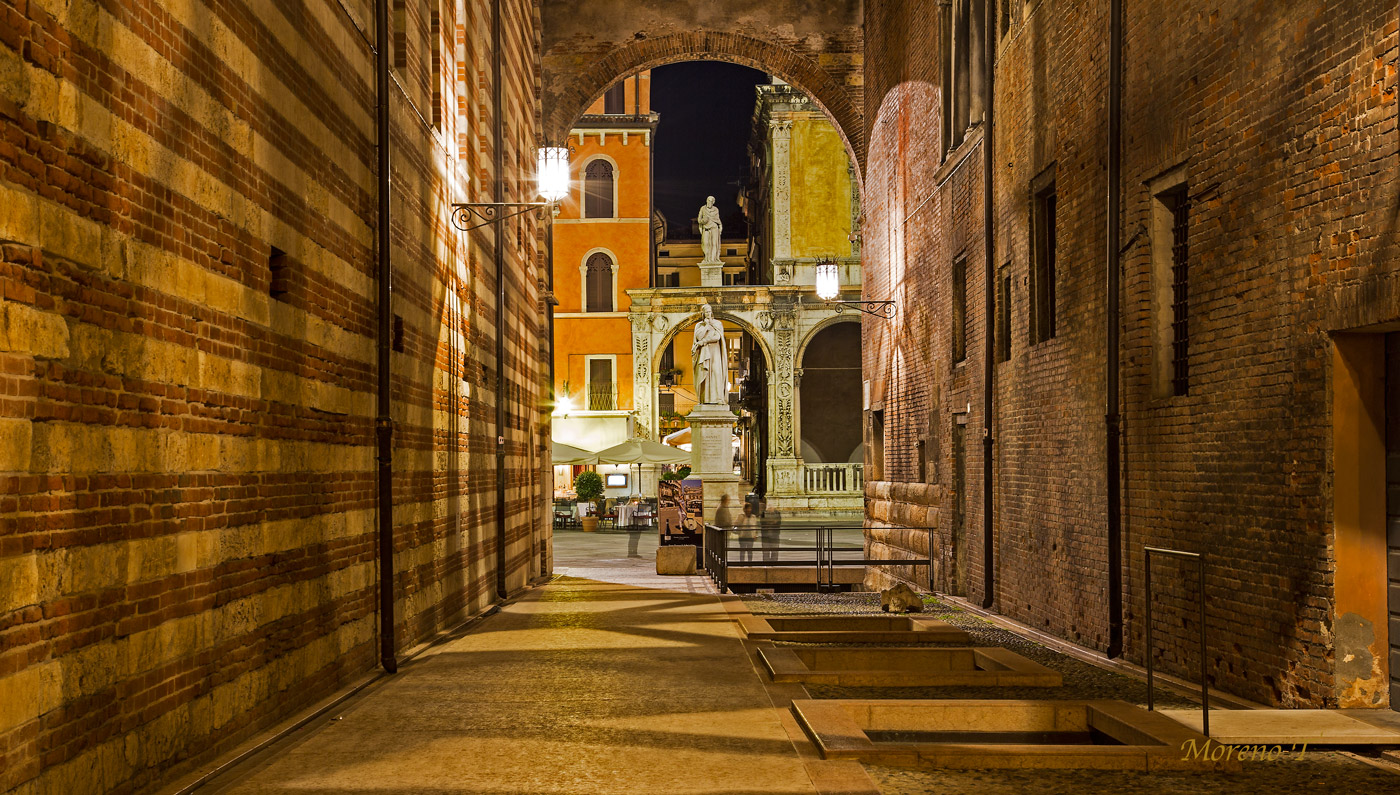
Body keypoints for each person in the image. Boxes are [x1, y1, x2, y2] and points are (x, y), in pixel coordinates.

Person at [691, 303, 728, 405]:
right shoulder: (699, 325)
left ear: (712, 312)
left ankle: (717, 398)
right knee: (705, 374)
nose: (708, 313)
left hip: (715, 352)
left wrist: (704, 341)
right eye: (706, 312)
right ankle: (705, 399)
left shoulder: (718, 324)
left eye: (709, 311)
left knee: (716, 373)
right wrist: (706, 326)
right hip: (704, 352)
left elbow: (717, 337)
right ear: (703, 313)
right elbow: (698, 336)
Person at [698, 195, 723, 264]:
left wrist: (720, 227)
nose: (709, 202)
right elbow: (699, 220)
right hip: (705, 229)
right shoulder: (703, 209)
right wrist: (703, 220)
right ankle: (706, 258)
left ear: (713, 202)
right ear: (706, 201)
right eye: (708, 200)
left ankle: (713, 259)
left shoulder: (716, 209)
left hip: (714, 228)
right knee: (705, 243)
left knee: (714, 244)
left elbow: (718, 220)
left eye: (711, 201)